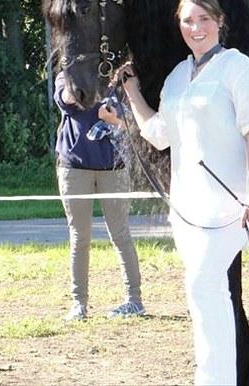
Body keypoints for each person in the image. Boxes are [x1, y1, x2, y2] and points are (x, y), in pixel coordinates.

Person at [117, 0, 249, 385]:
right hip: (186, 212)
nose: (196, 27)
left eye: (204, 19)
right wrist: (132, 93)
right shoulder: (177, 77)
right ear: (180, 26)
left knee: (204, 289)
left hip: (230, 211)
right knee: (206, 296)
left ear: (220, 21)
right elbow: (158, 134)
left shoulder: (241, 70)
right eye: (188, 20)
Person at [54, 71, 144, 321]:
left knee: (121, 234)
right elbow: (65, 99)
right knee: (79, 237)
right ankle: (79, 304)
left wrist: (113, 119)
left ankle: (134, 301)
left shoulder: (120, 80)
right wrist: (83, 82)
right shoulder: (67, 76)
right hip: (74, 169)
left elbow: (136, 124)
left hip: (114, 168)